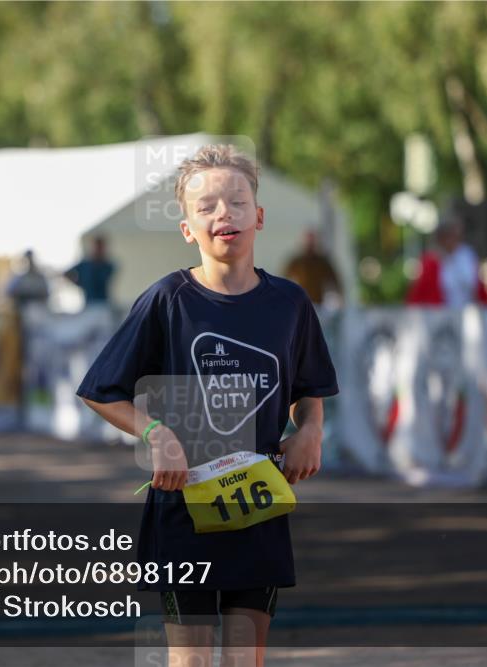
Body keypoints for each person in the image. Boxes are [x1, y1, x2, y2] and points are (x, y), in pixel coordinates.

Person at [77, 145, 338, 667]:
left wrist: (310, 430)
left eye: (238, 201)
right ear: (187, 228)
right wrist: (157, 434)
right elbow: (100, 390)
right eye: (208, 206)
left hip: (257, 507)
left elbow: (310, 389)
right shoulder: (167, 300)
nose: (225, 214)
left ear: (259, 216)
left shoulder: (289, 303)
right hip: (183, 509)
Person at [283, 229, 343, 307]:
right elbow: (283, 279)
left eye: (312, 242)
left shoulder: (322, 262)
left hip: (318, 303)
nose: (310, 245)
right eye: (308, 242)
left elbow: (335, 282)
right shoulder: (296, 262)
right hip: (300, 303)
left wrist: (339, 298)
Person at [65, 235, 116, 307]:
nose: (99, 250)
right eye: (97, 247)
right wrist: (80, 283)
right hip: (89, 304)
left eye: (101, 247)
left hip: (103, 303)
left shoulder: (108, 265)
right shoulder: (85, 264)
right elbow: (67, 273)